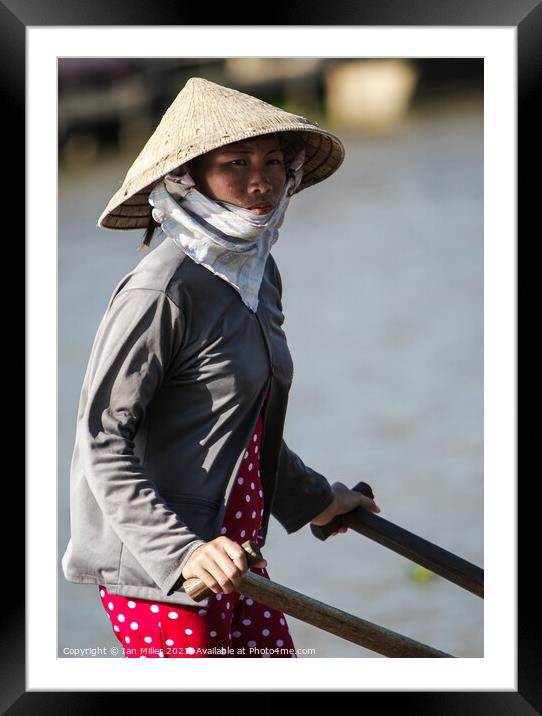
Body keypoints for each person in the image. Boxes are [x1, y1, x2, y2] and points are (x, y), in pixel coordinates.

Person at [61, 76, 381, 659]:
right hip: (167, 576)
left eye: (274, 162)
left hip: (238, 557)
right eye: (235, 162)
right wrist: (184, 553)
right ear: (189, 179)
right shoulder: (162, 290)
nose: (260, 181)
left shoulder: (256, 274)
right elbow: (99, 439)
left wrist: (314, 500)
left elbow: (239, 427)